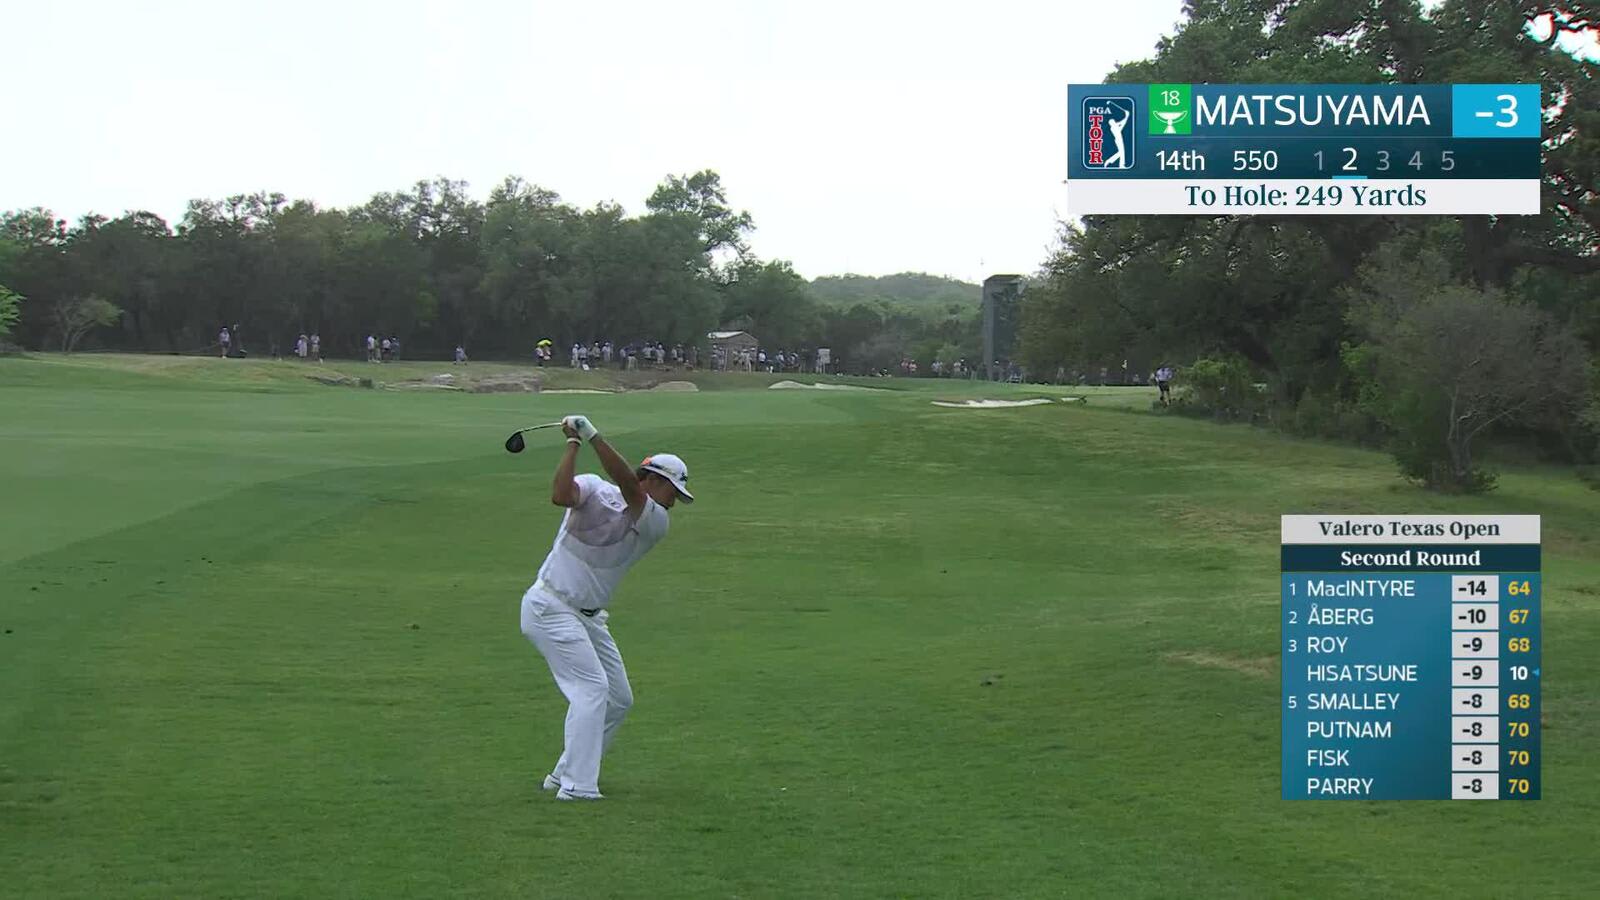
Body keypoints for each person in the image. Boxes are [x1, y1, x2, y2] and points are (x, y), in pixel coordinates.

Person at [519, 414, 694, 801]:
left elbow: (631, 489)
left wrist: (591, 434)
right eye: (673, 493)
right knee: (592, 689)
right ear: (654, 479)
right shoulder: (596, 488)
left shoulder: (655, 521)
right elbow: (561, 496)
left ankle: (563, 773)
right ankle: (578, 787)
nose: (674, 503)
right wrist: (574, 444)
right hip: (550, 604)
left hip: (590, 617)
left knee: (618, 698)